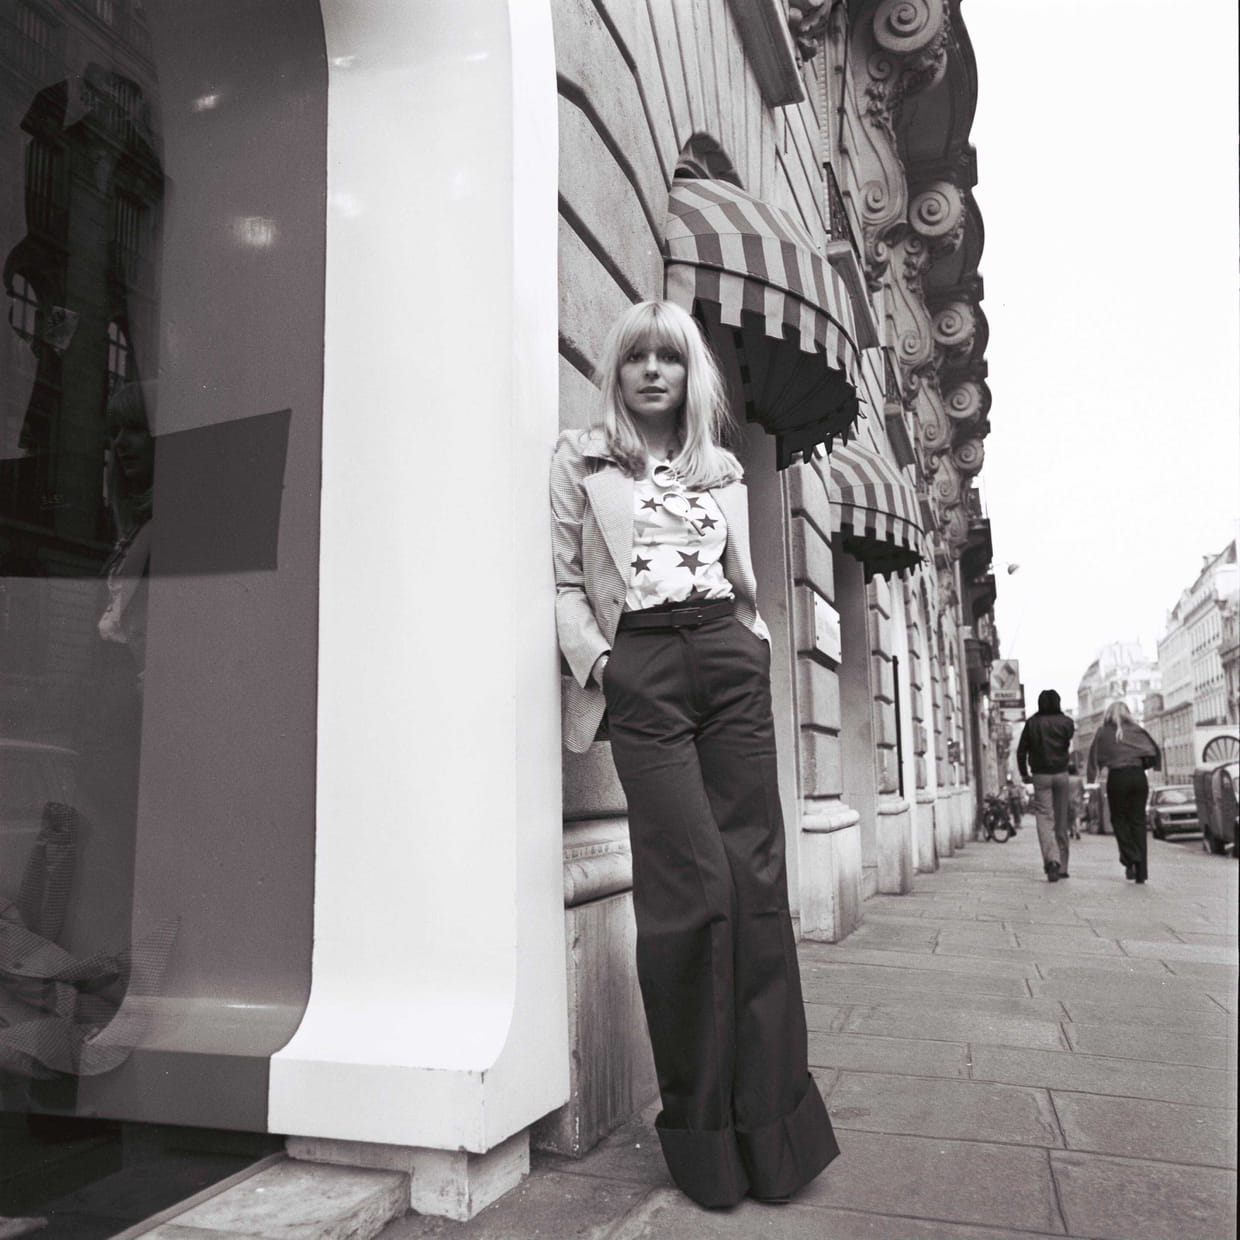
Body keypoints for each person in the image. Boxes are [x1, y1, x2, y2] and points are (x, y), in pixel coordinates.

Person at [550, 300, 838, 1209]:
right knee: (690, 894)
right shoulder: (580, 460)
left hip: (725, 655)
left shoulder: (720, 468)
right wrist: (608, 666)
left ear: (689, 374)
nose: (651, 371)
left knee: (757, 888)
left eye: (668, 357)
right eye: (636, 356)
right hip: (642, 665)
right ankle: (706, 1142)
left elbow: (738, 577)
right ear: (616, 371)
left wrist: (751, 644)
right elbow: (564, 583)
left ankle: (774, 1136)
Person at [1086, 701, 1160, 883]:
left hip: (1118, 777)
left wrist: (1091, 777)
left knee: (1118, 819)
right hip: (1138, 777)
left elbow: (1093, 755)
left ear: (1108, 714)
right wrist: (1145, 765)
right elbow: (1153, 751)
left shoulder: (1103, 732)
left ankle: (1131, 855)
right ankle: (1141, 872)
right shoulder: (1137, 730)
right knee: (1138, 822)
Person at [1016, 689, 1075, 881]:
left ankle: (1052, 861)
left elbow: (1021, 751)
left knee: (1044, 817)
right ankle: (1063, 866)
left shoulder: (1032, 723)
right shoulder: (1067, 722)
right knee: (1061, 819)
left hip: (1041, 775)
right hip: (1061, 773)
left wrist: (1024, 773)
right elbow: (1067, 742)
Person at [1067, 760, 1085, 841]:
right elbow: (1082, 789)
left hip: (1067, 800)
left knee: (1070, 817)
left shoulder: (1066, 779)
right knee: (1077, 816)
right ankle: (1077, 831)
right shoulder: (1079, 779)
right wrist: (1082, 796)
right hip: (1077, 799)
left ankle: (1071, 831)